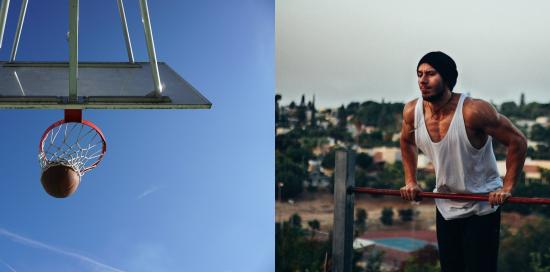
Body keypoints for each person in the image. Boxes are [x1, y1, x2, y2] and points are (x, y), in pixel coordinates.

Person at [399, 51, 527, 272]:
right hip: (445, 203)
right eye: (419, 74)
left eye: (430, 74)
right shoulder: (412, 111)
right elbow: (406, 141)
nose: (422, 80)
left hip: (482, 204)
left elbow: (517, 141)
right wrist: (411, 180)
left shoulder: (473, 111)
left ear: (447, 78)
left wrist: (507, 187)